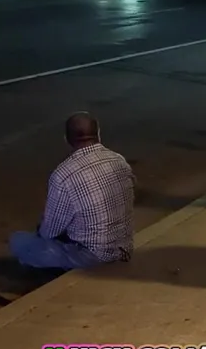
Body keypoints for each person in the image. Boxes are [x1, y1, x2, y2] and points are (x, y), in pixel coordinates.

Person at [8, 112, 135, 271]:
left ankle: (51, 272)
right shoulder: (119, 160)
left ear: (67, 139)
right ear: (98, 134)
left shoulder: (64, 175)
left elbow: (49, 232)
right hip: (123, 248)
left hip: (93, 257)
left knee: (18, 240)